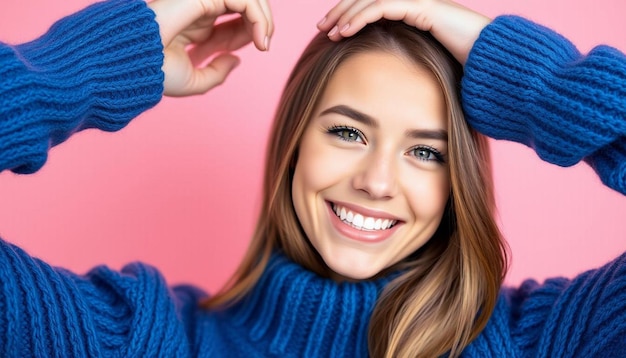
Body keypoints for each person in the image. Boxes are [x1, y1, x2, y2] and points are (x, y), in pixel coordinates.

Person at [0, 0, 624, 357]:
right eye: (348, 132)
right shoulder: (138, 338)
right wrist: (85, 68)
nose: (378, 182)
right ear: (294, 143)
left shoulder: (544, 341)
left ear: (460, 180)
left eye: (426, 153)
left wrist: (534, 79)